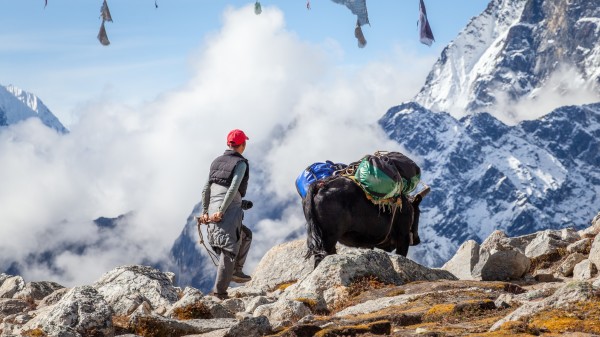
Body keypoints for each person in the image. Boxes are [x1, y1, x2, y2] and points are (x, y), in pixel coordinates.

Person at [199, 129, 253, 300]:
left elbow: (206, 189)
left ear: (228, 144)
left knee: (245, 235)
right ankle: (219, 293)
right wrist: (221, 212)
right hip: (226, 212)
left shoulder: (216, 162)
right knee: (229, 250)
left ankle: (236, 272)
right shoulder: (241, 163)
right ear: (242, 145)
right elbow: (233, 188)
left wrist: (206, 212)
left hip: (213, 210)